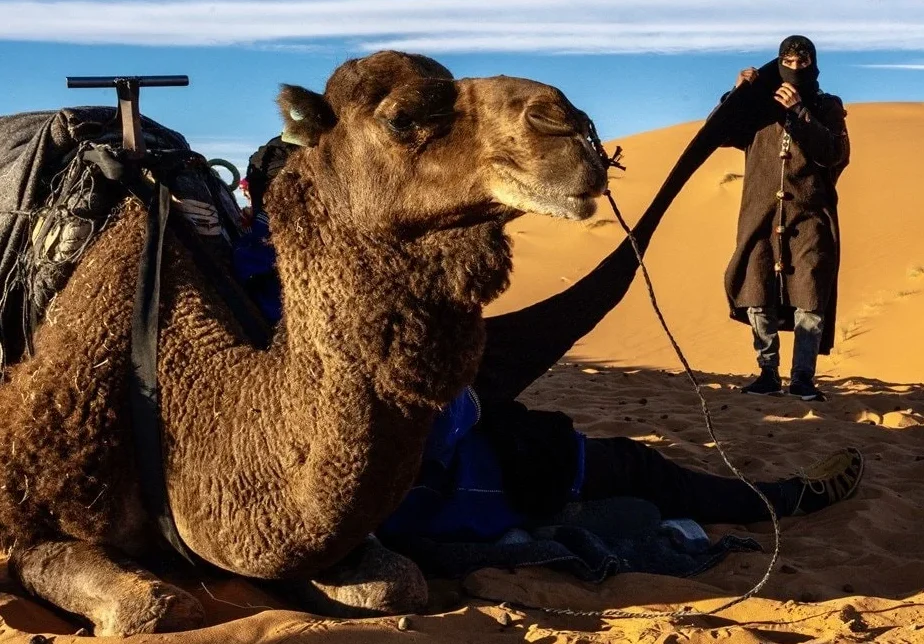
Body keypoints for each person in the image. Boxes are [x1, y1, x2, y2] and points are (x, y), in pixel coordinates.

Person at [237, 124, 863, 548]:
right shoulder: (296, 293)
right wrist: (469, 396)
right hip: (438, 489)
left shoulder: (238, 280)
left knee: (591, 453)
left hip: (440, 461)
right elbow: (374, 424)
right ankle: (784, 499)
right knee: (632, 468)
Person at [722, 35, 850, 402]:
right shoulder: (758, 108)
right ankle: (767, 373)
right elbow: (722, 132)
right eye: (788, 62)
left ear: (813, 65)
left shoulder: (826, 106)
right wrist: (737, 94)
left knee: (810, 295)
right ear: (779, 63)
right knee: (757, 290)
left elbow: (835, 153)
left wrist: (799, 113)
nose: (795, 69)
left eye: (802, 62)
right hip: (760, 215)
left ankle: (802, 379)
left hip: (810, 217)